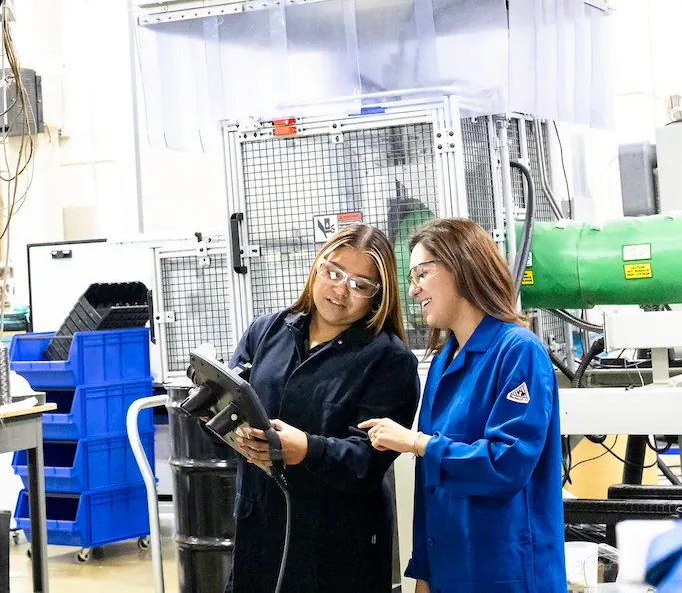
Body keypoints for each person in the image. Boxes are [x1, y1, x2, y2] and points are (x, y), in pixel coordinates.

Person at [361, 218, 566, 593]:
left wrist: (417, 443)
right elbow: (431, 485)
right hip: (449, 576)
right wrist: (423, 574)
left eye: (421, 273)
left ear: (461, 266)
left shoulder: (519, 351)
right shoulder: (442, 362)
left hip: (508, 576)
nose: (413, 290)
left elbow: (506, 463)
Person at [227, 224, 420, 593]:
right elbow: (230, 408)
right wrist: (211, 411)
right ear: (317, 267)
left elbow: (367, 459)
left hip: (338, 544)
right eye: (333, 272)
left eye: (360, 285)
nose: (340, 289)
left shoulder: (389, 360)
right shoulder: (266, 332)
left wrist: (308, 449)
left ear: (378, 297)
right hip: (260, 528)